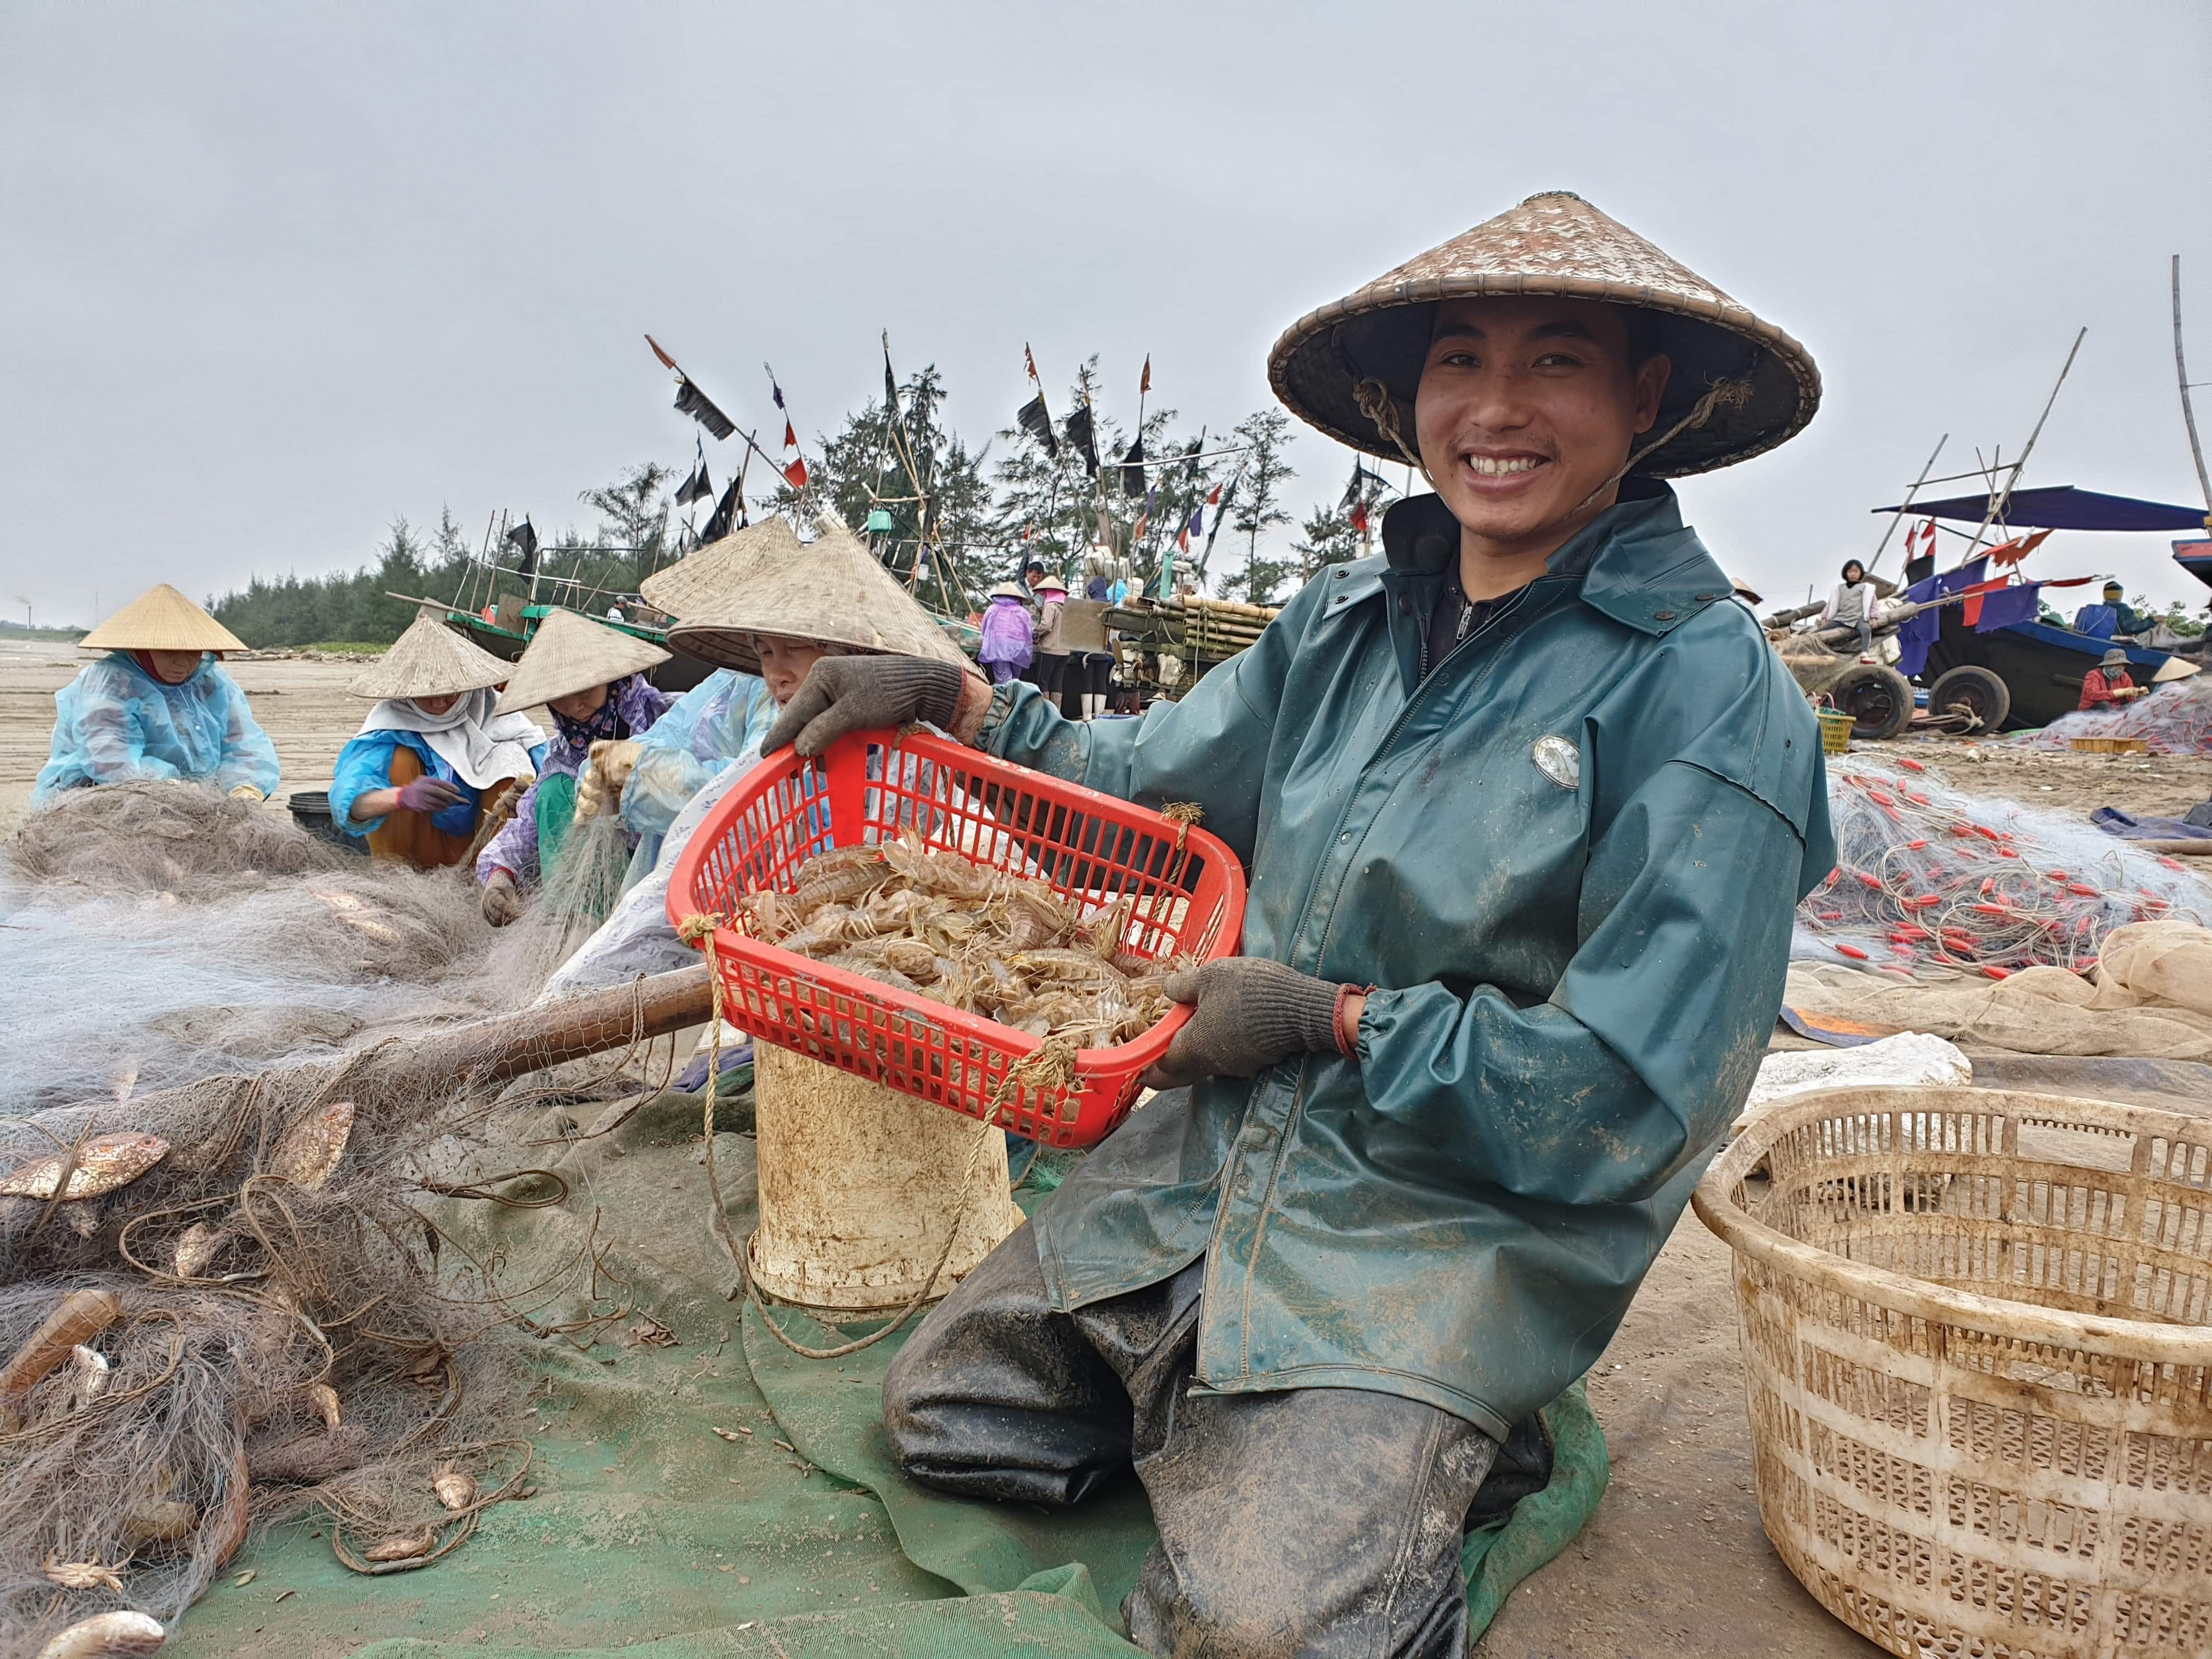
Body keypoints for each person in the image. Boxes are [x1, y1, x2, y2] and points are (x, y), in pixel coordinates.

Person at [758, 190, 1832, 1654]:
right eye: (1462, 361)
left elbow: (1631, 1096)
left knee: (1262, 1629)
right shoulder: (1345, 621)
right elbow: (1151, 792)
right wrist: (958, 702)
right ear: (1412, 400)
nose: (1498, 410)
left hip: (1449, 1225)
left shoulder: (1709, 694)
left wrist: (1332, 1022)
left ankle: (1435, 1425)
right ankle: (1254, 1412)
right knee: (944, 1416)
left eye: (1559, 363)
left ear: (1647, 398)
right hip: (1217, 1159)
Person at [474, 609, 676, 926]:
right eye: (560, 697)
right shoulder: (563, 751)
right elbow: (527, 824)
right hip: (593, 884)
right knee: (554, 791)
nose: (574, 706)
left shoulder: (661, 719)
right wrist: (500, 874)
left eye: (584, 689)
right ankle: (575, 920)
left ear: (612, 680)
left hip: (660, 866)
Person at [32, 584, 279, 807]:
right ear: (142, 648)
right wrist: (169, 786)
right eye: (169, 652)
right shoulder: (111, 683)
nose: (182, 662)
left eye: (192, 653)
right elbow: (110, 759)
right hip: (104, 791)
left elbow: (244, 742)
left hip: (197, 798)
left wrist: (245, 783)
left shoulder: (211, 682)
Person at [331, 616, 545, 870]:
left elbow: (554, 774)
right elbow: (348, 804)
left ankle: (494, 878)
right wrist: (401, 796)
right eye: (427, 694)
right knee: (400, 762)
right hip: (417, 853)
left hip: (485, 854)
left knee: (513, 763)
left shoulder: (497, 714)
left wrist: (531, 795)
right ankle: (393, 879)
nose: (439, 702)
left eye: (450, 692)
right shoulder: (392, 722)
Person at [976, 582, 1035, 685]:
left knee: (1004, 681)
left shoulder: (992, 609)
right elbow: (1029, 633)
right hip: (1020, 650)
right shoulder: (1023, 612)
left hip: (999, 648)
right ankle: (1015, 699)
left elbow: (984, 629)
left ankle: (1006, 700)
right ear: (1018, 598)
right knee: (1016, 681)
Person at [1027, 574, 1070, 702]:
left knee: (1043, 681)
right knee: (1057, 682)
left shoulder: (1050, 605)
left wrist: (1035, 634)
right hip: (1065, 650)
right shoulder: (1068, 606)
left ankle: (1047, 712)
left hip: (1049, 649)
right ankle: (1056, 711)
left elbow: (1046, 626)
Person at [1824, 557, 1877, 657]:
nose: (1853, 574)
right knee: (1822, 631)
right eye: (1850, 571)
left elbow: (1873, 604)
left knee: (1866, 630)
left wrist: (1874, 617)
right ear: (1846, 573)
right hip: (1841, 618)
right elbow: (1830, 604)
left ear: (1861, 574)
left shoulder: (1866, 588)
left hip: (1858, 618)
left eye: (1856, 571)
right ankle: (1822, 649)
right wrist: (1824, 617)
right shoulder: (1839, 588)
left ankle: (1865, 652)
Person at [2078, 646, 2148, 712]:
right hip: (2091, 711)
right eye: (2117, 665)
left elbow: (2130, 698)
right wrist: (2121, 692)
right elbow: (2094, 695)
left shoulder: (2125, 677)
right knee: (2104, 705)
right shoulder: (2093, 675)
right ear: (2108, 665)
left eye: (2123, 665)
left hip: (2116, 710)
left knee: (2142, 701)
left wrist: (2137, 694)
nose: (2121, 668)